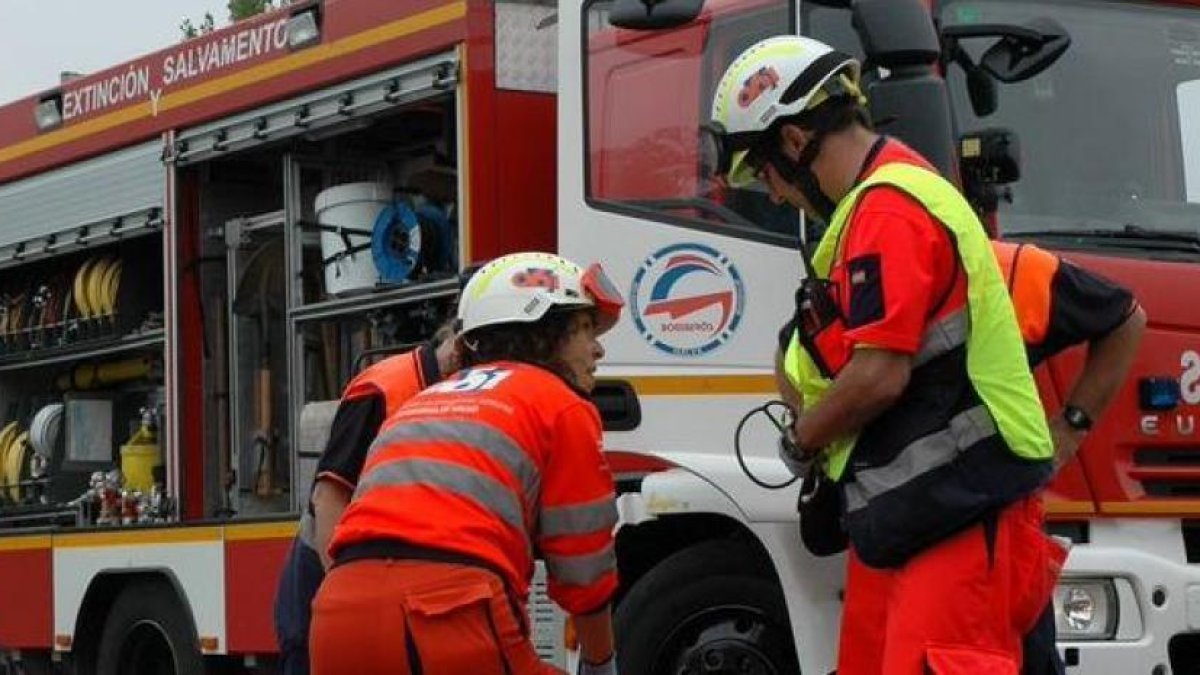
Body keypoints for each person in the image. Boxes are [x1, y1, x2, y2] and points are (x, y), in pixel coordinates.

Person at [709, 35, 1060, 673]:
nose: (778, 194)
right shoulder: (881, 205)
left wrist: (802, 440)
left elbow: (877, 376)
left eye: (763, 174)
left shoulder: (887, 211)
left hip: (959, 501)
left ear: (794, 142)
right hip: (924, 507)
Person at [775, 239, 1145, 674]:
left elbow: (1124, 317)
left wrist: (1070, 428)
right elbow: (791, 352)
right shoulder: (995, 267)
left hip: (972, 522)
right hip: (928, 525)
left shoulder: (877, 268)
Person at [309, 252, 625, 675]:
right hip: (446, 611)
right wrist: (601, 662)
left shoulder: (425, 400)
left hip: (337, 616)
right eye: (585, 328)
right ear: (544, 332)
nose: (597, 348)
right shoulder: (561, 405)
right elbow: (584, 569)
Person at [273, 318, 460, 675]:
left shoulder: (449, 393)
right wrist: (341, 604)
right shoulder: (385, 388)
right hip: (324, 574)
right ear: (458, 347)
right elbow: (329, 500)